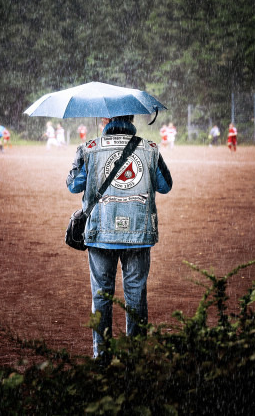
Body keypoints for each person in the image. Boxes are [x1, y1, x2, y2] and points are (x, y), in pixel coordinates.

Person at [67, 115, 172, 360]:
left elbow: (73, 185)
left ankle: (101, 355)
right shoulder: (150, 149)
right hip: (138, 233)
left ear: (105, 119)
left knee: (101, 295)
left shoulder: (88, 148)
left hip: (100, 233)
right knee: (136, 295)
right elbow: (165, 185)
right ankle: (135, 356)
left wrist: (83, 159)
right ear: (132, 117)